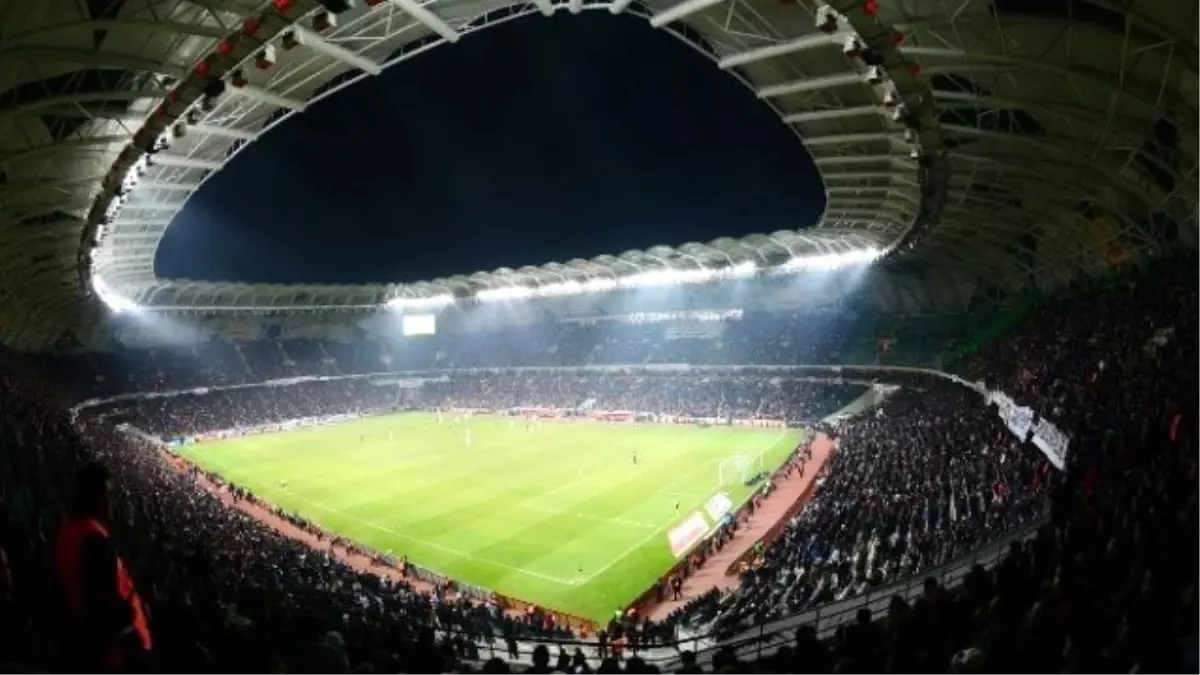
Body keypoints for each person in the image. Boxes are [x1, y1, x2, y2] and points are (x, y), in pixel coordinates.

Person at [54, 462, 153, 675]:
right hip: (115, 657)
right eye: (109, 492)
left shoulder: (69, 528)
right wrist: (131, 613)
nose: (112, 500)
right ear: (96, 496)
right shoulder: (94, 541)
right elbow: (102, 614)